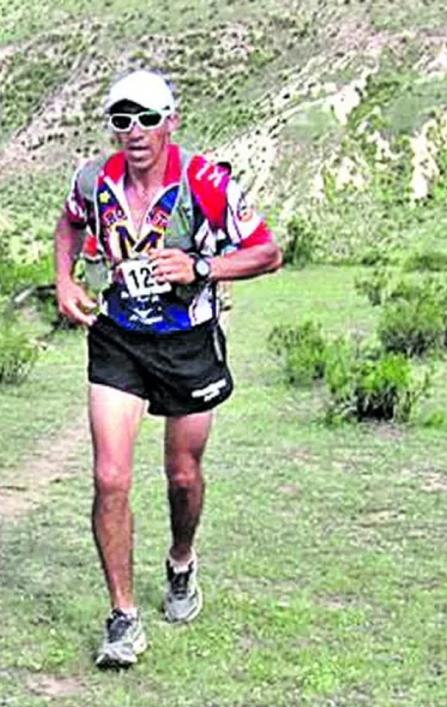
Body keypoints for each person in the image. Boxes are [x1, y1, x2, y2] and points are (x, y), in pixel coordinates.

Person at [54, 70, 283, 668]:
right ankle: (123, 618)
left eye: (148, 118)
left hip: (187, 343)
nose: (135, 131)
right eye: (122, 119)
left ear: (171, 122)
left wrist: (200, 267)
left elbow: (267, 252)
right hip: (119, 339)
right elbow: (70, 221)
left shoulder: (205, 182)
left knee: (182, 475)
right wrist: (64, 279)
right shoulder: (93, 179)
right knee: (110, 478)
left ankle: (181, 560)